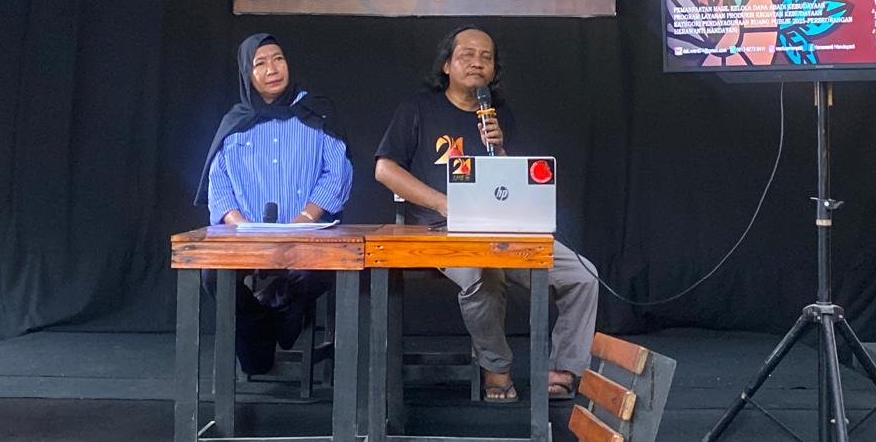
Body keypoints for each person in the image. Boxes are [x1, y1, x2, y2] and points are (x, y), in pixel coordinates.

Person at [374, 25, 599, 403]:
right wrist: (443, 203)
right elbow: (384, 169)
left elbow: (513, 183)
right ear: (446, 64)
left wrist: (499, 148)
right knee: (484, 276)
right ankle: (496, 367)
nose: (477, 63)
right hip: (440, 229)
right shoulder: (418, 108)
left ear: (494, 70)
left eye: (486, 57)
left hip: (499, 227)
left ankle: (563, 369)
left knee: (582, 276)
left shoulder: (496, 114)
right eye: (467, 55)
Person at [195, 33, 353, 375]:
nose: (272, 69)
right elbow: (218, 183)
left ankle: (271, 306)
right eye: (260, 63)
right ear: (247, 74)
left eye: (278, 59)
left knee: (317, 270)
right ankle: (264, 321)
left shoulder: (316, 112)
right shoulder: (236, 122)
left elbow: (337, 173)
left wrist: (303, 219)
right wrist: (240, 225)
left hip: (308, 233)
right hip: (246, 236)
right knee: (212, 275)